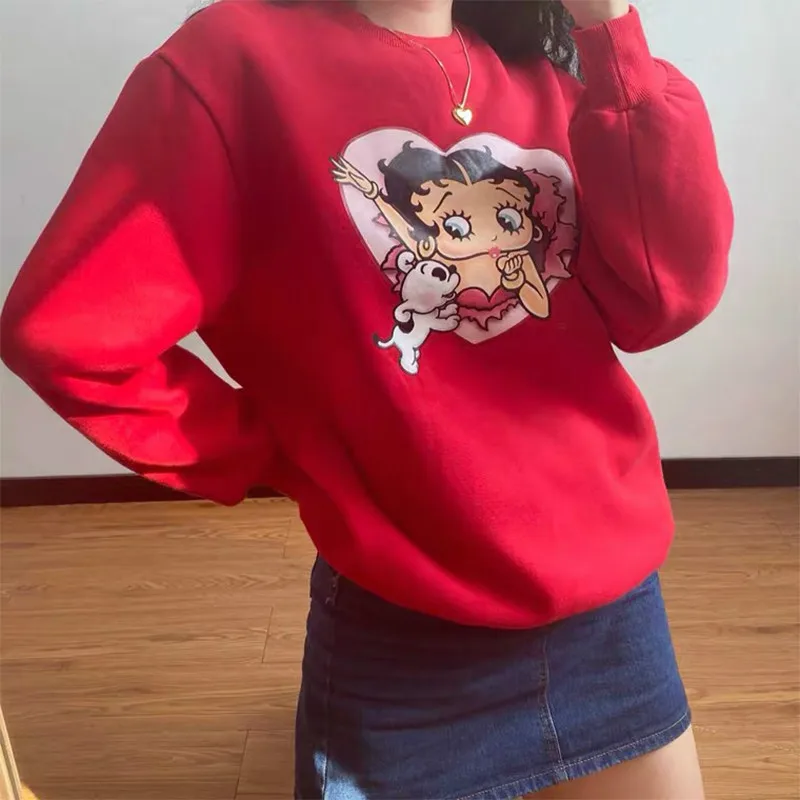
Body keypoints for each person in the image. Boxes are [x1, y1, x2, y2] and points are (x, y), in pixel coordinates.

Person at [0, 0, 733, 797]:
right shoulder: (234, 63)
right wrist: (277, 451)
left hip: (613, 616)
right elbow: (69, 335)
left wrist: (612, 32)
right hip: (407, 647)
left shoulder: (550, 72)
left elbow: (662, 301)